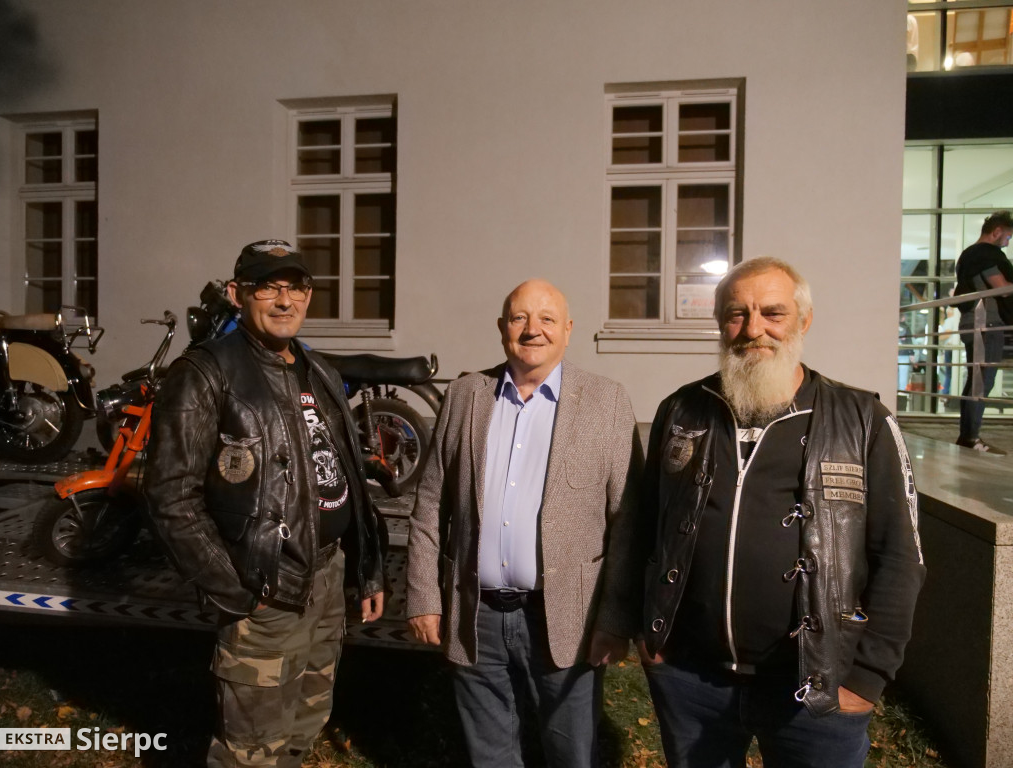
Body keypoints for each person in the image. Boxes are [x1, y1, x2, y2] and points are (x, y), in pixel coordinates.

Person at [626, 257, 925, 768]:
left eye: (773, 313)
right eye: (737, 314)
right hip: (691, 681)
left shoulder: (862, 421)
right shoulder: (682, 410)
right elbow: (644, 527)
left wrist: (866, 678)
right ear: (720, 322)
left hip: (815, 692)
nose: (753, 329)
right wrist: (650, 640)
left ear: (803, 321)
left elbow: (901, 556)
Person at [144, 240, 385, 767]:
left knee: (304, 725)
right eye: (267, 287)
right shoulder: (206, 372)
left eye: (295, 287)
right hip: (266, 590)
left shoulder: (317, 369)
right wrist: (236, 590)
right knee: (251, 750)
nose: (284, 300)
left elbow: (345, 471)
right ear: (237, 294)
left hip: (327, 580)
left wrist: (366, 569)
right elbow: (170, 496)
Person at [405, 279, 642, 768]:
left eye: (547, 319)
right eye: (519, 318)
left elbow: (628, 522)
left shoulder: (608, 401)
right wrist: (425, 596)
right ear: (502, 328)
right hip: (475, 614)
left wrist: (615, 620)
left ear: (568, 329)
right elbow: (430, 504)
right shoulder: (465, 396)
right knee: (488, 756)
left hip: (566, 618)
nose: (533, 330)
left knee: (571, 753)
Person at [953, 210, 1013, 454]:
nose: (1007, 243)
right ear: (996, 232)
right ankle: (970, 437)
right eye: (1008, 237)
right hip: (986, 324)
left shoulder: (969, 255)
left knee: (977, 380)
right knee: (981, 381)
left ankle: (968, 436)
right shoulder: (985, 255)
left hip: (976, 323)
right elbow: (1002, 288)